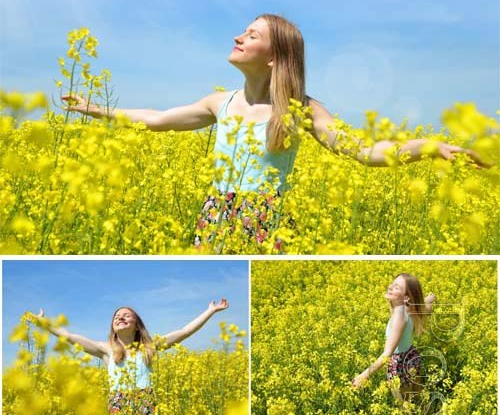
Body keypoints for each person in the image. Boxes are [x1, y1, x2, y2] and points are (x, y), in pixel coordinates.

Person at [61, 14, 485, 250]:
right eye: (242, 31)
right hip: (215, 220)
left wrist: (429, 146)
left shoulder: (300, 110)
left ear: (274, 57)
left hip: (269, 222)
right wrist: (92, 109)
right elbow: (154, 119)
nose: (237, 36)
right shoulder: (218, 103)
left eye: (251, 34)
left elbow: (365, 151)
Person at [36, 298, 228, 415]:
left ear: (137, 325)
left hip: (145, 400)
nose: (120, 317)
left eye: (126, 315)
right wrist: (44, 324)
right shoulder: (106, 350)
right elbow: (69, 337)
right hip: (117, 402)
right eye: (116, 316)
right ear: (113, 326)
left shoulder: (149, 348)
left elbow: (184, 331)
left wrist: (210, 311)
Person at [352, 274, 435, 404]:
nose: (390, 287)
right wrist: (430, 299)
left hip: (399, 366)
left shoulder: (399, 317)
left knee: (405, 408)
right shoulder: (411, 309)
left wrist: (364, 375)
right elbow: (424, 307)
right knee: (417, 400)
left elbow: (387, 354)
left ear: (406, 297)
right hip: (412, 358)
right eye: (392, 283)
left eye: (396, 287)